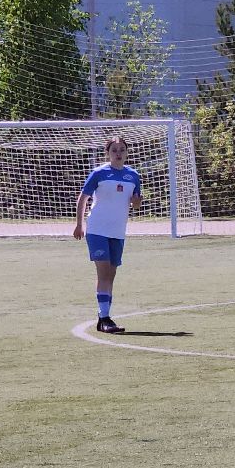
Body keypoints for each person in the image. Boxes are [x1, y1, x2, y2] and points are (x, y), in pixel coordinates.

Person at [73, 135, 142, 334]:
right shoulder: (99, 173)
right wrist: (79, 224)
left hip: (117, 232)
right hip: (97, 230)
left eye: (122, 150)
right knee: (103, 273)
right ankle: (104, 319)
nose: (118, 153)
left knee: (110, 276)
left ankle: (103, 317)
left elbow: (135, 203)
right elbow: (83, 198)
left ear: (127, 152)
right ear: (108, 153)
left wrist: (137, 202)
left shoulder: (133, 175)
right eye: (114, 150)